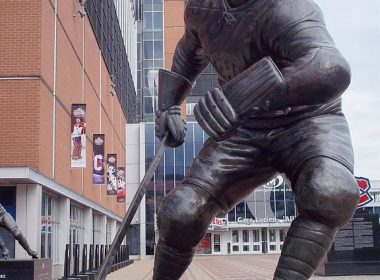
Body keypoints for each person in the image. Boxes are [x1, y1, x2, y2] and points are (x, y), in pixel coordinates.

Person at [154, 0, 360, 279]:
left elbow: (330, 68)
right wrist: (168, 105)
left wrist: (241, 94)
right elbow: (188, 56)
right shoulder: (200, 8)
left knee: (330, 191)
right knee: (179, 213)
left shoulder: (289, 8)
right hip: (245, 128)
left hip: (308, 121)